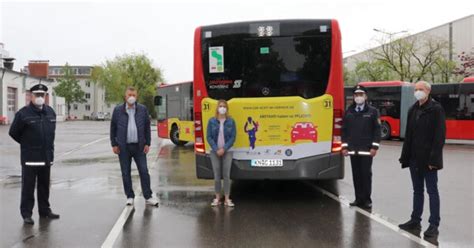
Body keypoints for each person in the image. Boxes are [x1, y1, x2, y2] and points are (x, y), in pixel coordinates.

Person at [398, 81, 446, 238]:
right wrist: (405, 156)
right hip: (414, 159)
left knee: (432, 191)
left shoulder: (436, 109)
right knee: (417, 191)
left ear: (428, 91)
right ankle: (415, 220)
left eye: (421, 89)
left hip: (428, 161)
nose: (418, 92)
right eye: (416, 89)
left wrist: (434, 160)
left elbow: (439, 137)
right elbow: (409, 136)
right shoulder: (413, 109)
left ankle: (434, 225)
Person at [9, 83, 60, 225]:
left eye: (41, 95)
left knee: (44, 187)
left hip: (46, 157)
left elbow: (51, 133)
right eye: (36, 95)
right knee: (28, 188)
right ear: (30, 96)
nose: (39, 97)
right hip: (30, 159)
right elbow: (13, 132)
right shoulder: (23, 114)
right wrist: (27, 144)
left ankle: (44, 211)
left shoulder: (50, 112)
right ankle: (26, 214)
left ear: (45, 96)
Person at [110, 86, 158, 207]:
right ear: (125, 96)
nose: (131, 97)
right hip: (123, 147)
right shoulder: (117, 110)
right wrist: (114, 144)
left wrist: (147, 143)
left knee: (144, 171)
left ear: (137, 97)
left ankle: (148, 196)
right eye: (129, 95)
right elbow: (113, 128)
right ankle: (130, 196)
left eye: (134, 95)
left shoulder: (142, 109)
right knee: (125, 172)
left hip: (139, 147)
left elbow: (147, 127)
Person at [341, 85, 381, 209]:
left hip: (367, 150)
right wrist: (344, 147)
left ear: (365, 96)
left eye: (361, 94)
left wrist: (374, 147)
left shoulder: (373, 111)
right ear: (353, 97)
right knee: (356, 175)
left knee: (366, 175)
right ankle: (358, 199)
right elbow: (344, 131)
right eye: (356, 95)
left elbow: (377, 130)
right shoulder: (349, 111)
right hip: (353, 150)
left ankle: (367, 200)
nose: (358, 97)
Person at [206, 100, 236, 207]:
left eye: (224, 106)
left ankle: (227, 199)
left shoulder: (231, 121)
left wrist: (224, 148)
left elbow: (233, 137)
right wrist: (216, 149)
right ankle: (217, 198)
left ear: (226, 109)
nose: (222, 108)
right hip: (214, 151)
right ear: (217, 108)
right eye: (220, 106)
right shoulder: (211, 121)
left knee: (226, 175)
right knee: (217, 175)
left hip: (228, 151)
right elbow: (208, 137)